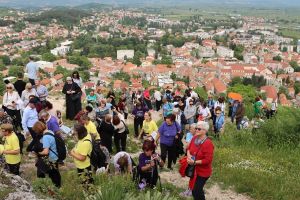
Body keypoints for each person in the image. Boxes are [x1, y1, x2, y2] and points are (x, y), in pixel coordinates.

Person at [187, 121, 214, 200]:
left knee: (197, 190)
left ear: (205, 131)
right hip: (194, 170)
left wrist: (195, 162)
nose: (196, 130)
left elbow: (208, 160)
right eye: (196, 128)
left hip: (203, 172)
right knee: (194, 190)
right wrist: (188, 155)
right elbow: (189, 148)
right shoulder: (194, 138)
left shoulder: (208, 143)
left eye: (199, 129)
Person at [32, 121, 61, 187]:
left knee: (52, 174)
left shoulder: (45, 137)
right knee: (55, 173)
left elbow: (46, 152)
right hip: (55, 155)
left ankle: (56, 187)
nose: (36, 132)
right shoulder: (49, 131)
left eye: (36, 130)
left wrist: (38, 153)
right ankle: (57, 186)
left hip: (51, 158)